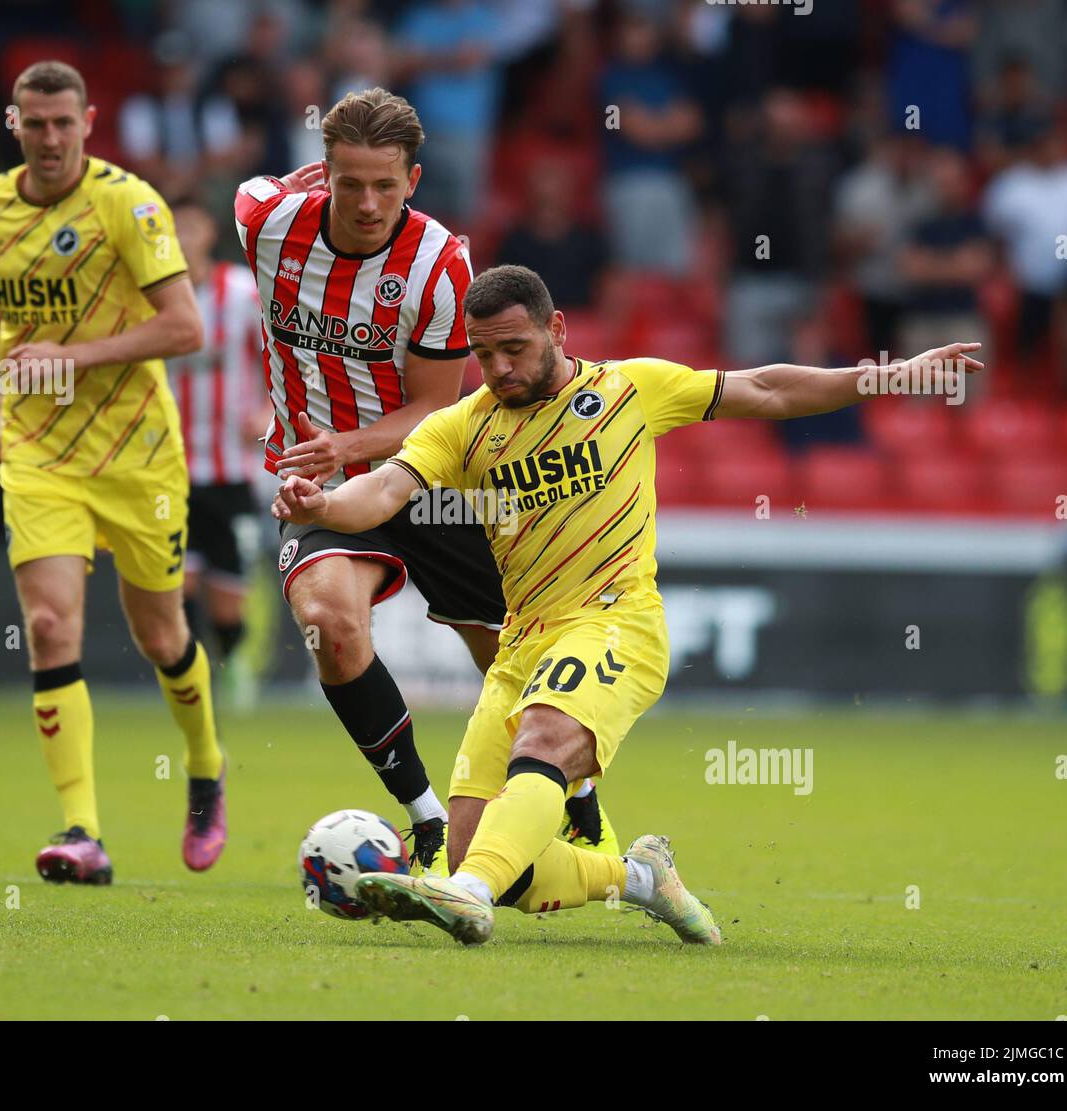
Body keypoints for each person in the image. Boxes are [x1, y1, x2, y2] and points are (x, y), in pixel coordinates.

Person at [273, 264, 984, 946]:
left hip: (616, 622)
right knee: (483, 848)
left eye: (514, 349)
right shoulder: (464, 424)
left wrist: (894, 374)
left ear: (557, 328)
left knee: (542, 746)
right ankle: (642, 877)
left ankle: (470, 898)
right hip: (524, 642)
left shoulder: (628, 390)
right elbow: (388, 491)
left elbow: (768, 389)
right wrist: (326, 501)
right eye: (484, 354)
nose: (498, 370)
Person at [233, 89, 614, 872]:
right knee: (330, 625)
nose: (368, 203)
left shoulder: (440, 264)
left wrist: (347, 443)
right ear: (325, 176)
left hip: (431, 476)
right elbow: (255, 191)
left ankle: (579, 806)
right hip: (324, 488)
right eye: (349, 184)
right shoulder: (265, 224)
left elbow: (436, 407)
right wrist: (332, 458)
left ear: (414, 177)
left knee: (507, 649)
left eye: (386, 184)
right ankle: (427, 818)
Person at [0, 60, 225, 885]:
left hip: (138, 454)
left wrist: (71, 360)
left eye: (62, 125)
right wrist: (14, 397)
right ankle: (82, 829)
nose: (48, 139)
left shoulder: (129, 202)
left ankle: (205, 765)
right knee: (48, 625)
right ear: (15, 125)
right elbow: (15, 313)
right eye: (33, 124)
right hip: (42, 452)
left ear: (88, 122)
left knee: (161, 634)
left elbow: (186, 329)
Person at [166, 199, 271, 702]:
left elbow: (280, 356)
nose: (184, 236)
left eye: (192, 225)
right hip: (169, 468)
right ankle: (191, 677)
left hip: (231, 468)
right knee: (178, 585)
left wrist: (271, 413)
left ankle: (233, 662)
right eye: (175, 226)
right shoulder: (153, 298)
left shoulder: (242, 294)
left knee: (228, 599)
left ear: (209, 231)